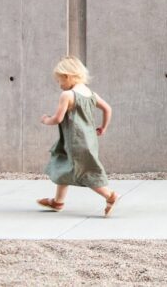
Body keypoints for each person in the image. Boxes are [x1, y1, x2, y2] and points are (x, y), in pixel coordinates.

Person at [37, 56, 119, 216]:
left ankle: (110, 196)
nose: (60, 85)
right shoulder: (90, 94)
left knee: (84, 172)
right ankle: (58, 202)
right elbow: (107, 109)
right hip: (88, 140)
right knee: (64, 166)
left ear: (67, 77)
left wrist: (46, 120)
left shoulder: (67, 95)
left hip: (76, 142)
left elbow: (58, 119)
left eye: (60, 81)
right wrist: (103, 127)